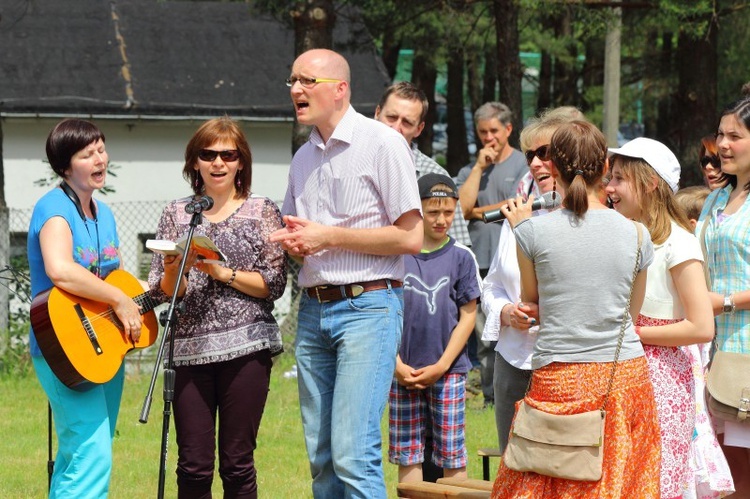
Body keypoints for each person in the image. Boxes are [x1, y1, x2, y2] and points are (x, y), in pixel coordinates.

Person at [270, 49, 423, 498]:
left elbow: (411, 238)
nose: (296, 90)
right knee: (322, 458)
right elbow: (303, 235)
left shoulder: (383, 143)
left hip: (369, 308)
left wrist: (328, 237)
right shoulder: (303, 158)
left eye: (307, 81)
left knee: (354, 455)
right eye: (292, 81)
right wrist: (294, 242)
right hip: (315, 314)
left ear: (340, 89)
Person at [493, 120, 660, 497]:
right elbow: (630, 317)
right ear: (604, 166)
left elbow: (532, 304)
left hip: (558, 377)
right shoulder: (637, 234)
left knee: (542, 480)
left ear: (554, 168)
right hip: (623, 379)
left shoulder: (532, 233)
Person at [147, 116, 287, 498]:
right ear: (195, 161)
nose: (218, 163)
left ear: (241, 161)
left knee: (237, 464)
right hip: (190, 353)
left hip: (246, 352)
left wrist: (220, 271)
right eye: (208, 154)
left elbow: (272, 285)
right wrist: (177, 267)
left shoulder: (262, 210)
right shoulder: (178, 214)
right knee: (192, 466)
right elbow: (163, 289)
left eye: (228, 154)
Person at [27, 119, 143, 497]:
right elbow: (60, 269)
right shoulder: (54, 209)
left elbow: (116, 280)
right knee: (92, 454)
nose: (99, 158)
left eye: (101, 149)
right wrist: (119, 300)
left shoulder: (104, 213)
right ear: (64, 166)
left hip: (102, 346)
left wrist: (159, 285)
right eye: (86, 154)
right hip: (62, 346)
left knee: (88, 450)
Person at [606, 138, 721, 498]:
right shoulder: (624, 235)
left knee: (657, 479)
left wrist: (636, 333)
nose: (609, 188)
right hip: (621, 371)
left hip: (661, 380)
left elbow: (702, 326)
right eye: (610, 178)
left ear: (651, 182)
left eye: (620, 178)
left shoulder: (679, 243)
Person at [481, 113, 573, 454]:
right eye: (529, 155)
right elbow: (491, 286)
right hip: (512, 358)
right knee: (512, 462)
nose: (535, 163)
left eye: (544, 153)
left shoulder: (586, 218)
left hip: (564, 361)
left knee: (562, 466)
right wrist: (506, 312)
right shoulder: (520, 212)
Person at [388, 173, 480, 484]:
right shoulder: (397, 255)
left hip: (449, 372)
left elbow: (469, 315)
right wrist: (396, 364)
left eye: (448, 212)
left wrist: (441, 366)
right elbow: (383, 313)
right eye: (432, 212)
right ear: (417, 211)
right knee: (407, 452)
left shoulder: (462, 257)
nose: (441, 220)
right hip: (404, 372)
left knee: (451, 452)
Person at [456, 101, 528, 409]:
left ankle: (515, 394)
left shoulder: (525, 164)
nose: (489, 138)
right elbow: (460, 210)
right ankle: (490, 396)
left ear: (508, 129)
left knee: (514, 330)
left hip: (516, 262)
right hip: (478, 260)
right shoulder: (470, 171)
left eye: (494, 131)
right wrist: (478, 168)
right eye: (483, 132)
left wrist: (477, 212)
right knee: (484, 334)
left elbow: (521, 203)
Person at [697, 96, 750, 497]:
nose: (724, 144)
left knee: (742, 473)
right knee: (723, 473)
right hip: (713, 352)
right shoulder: (715, 198)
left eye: (735, 135)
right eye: (721, 134)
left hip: (745, 353)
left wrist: (725, 301)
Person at [374, 82, 471, 248]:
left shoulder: (434, 176)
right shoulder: (347, 161)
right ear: (377, 113)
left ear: (419, 129)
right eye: (391, 118)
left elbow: (457, 247)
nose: (396, 128)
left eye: (407, 123)